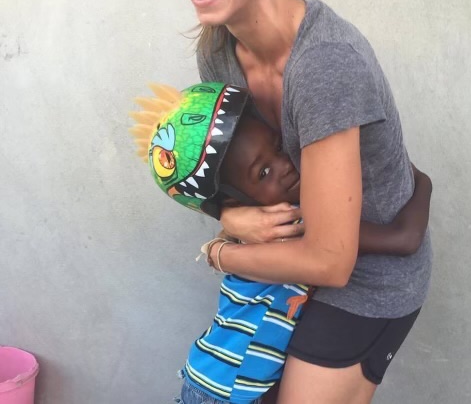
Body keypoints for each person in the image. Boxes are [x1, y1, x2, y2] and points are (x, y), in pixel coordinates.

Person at [134, 0, 433, 403]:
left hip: (368, 279)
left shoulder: (324, 65)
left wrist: (221, 252)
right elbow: (228, 176)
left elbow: (330, 260)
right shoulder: (217, 51)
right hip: (290, 271)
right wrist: (228, 216)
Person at [130, 82, 431, 404]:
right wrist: (424, 181)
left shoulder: (248, 231)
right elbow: (404, 238)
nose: (285, 166)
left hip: (219, 381)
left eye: (277, 148)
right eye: (263, 173)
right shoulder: (290, 225)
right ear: (234, 202)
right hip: (222, 394)